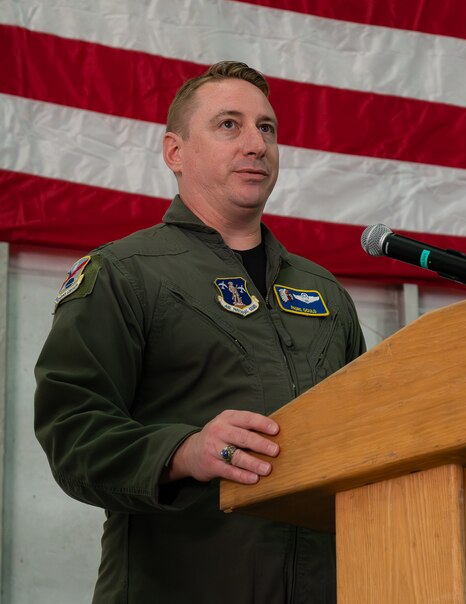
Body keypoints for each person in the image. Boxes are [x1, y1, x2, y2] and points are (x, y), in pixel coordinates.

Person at [34, 61, 366, 603]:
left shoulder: (325, 293)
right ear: (175, 152)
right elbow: (72, 434)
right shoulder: (125, 273)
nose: (255, 144)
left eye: (267, 128)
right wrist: (183, 451)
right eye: (229, 125)